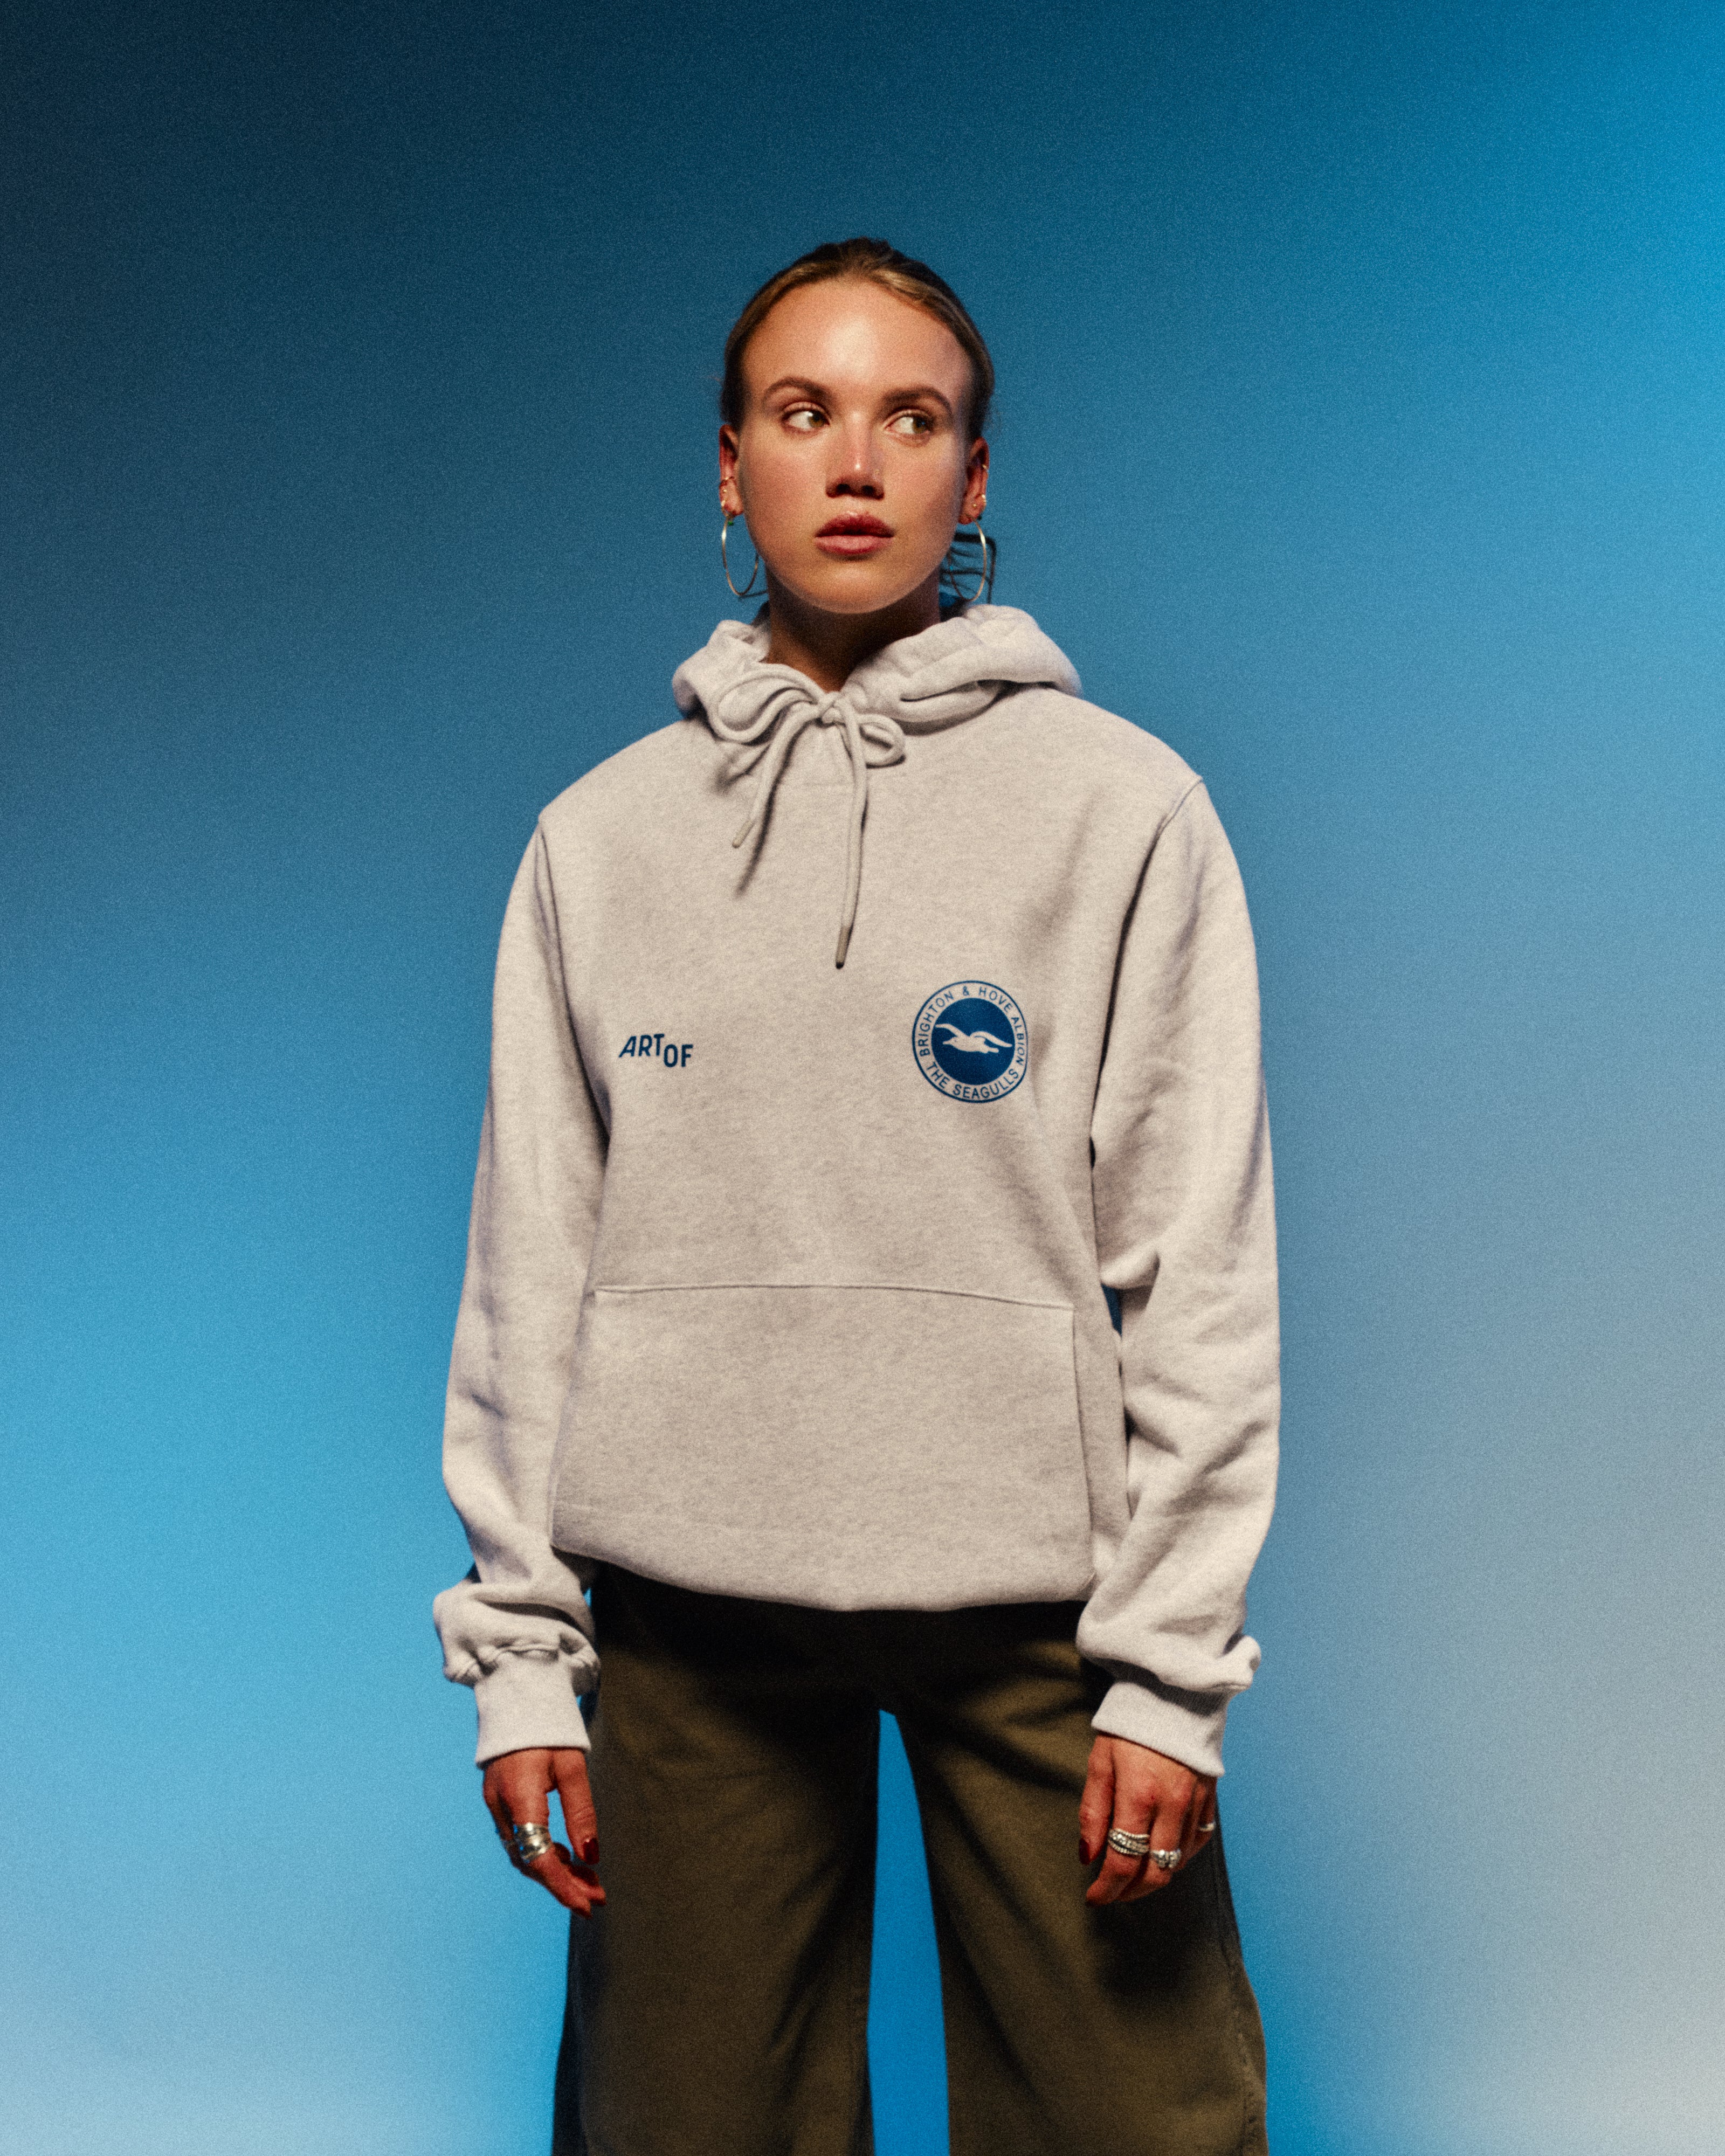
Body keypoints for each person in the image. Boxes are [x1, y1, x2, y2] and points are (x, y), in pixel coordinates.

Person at [434, 236, 1279, 2156]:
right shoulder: (598, 839)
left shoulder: (1124, 810)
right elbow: (530, 1267)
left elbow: (1201, 1263)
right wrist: (523, 1658)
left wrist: (1168, 1675)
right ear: (728, 466)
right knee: (679, 2128)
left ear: (975, 479)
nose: (856, 461)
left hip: (1041, 1606)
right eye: (803, 412)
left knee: (1140, 2123)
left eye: (912, 418)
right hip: (688, 1608)